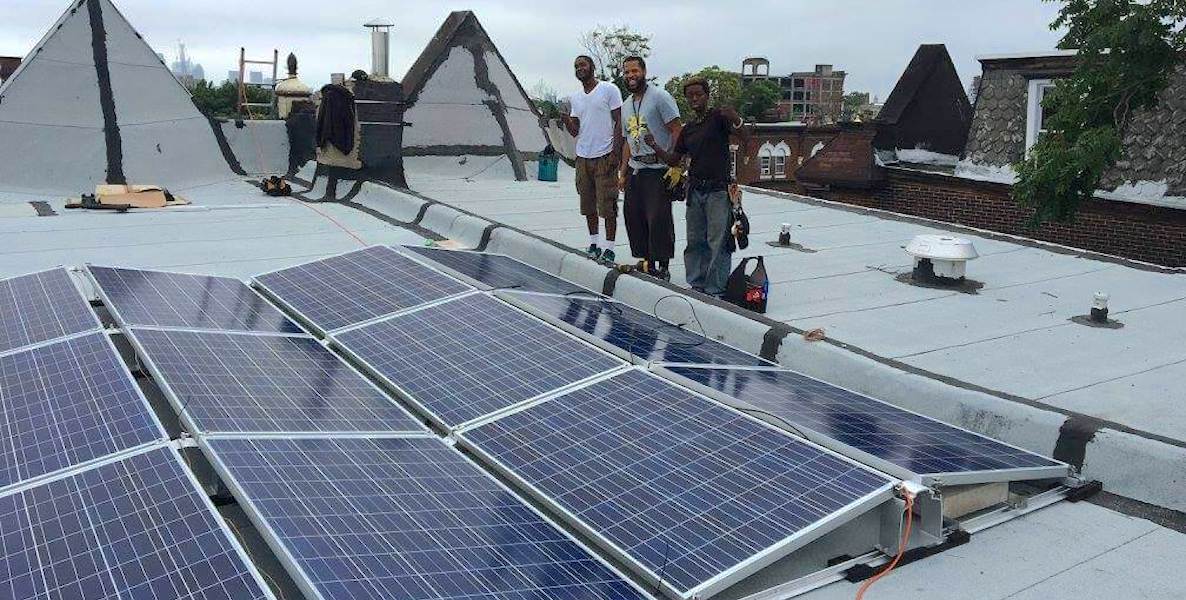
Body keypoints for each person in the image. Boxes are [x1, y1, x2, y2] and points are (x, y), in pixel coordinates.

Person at [648, 76, 748, 296]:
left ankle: (715, 289)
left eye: (698, 94)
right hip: (695, 191)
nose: (694, 99)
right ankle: (697, 284)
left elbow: (745, 137)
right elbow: (674, 159)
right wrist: (655, 145)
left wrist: (736, 118)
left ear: (707, 95)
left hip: (718, 191)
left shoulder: (719, 118)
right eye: (690, 96)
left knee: (718, 242)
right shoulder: (689, 129)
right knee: (695, 241)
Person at [619, 56, 682, 280]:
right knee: (634, 215)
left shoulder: (659, 97)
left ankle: (663, 266)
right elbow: (627, 140)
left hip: (658, 166)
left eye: (634, 71)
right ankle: (647, 261)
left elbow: (676, 129)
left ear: (644, 72)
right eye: (627, 72)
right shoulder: (626, 105)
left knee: (658, 218)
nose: (631, 75)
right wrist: (623, 172)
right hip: (636, 167)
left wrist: (674, 159)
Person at [562, 55, 623, 263]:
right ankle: (594, 244)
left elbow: (619, 121)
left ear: (592, 67)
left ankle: (609, 248)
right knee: (587, 204)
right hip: (583, 158)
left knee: (607, 205)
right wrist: (565, 118)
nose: (579, 68)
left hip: (604, 155)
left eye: (583, 64)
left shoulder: (609, 89)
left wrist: (616, 152)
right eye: (576, 66)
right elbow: (575, 131)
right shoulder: (576, 97)